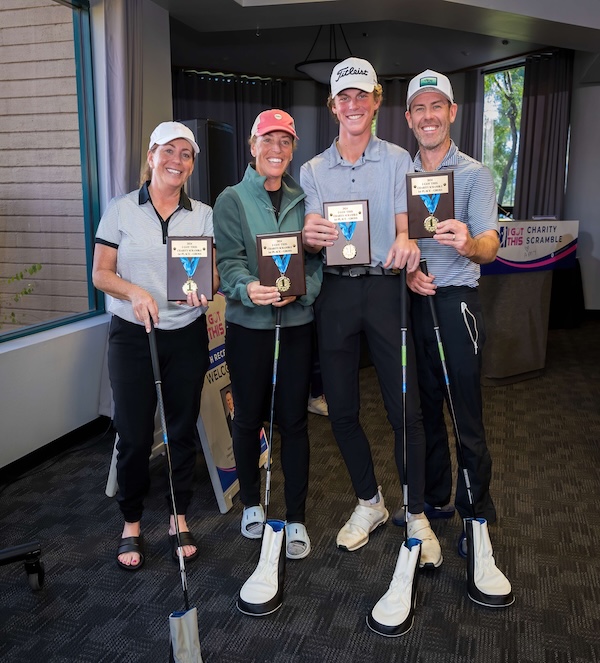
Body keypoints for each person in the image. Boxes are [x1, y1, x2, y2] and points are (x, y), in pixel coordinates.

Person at [300, 57, 442, 567]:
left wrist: (407, 240)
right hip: (336, 295)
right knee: (340, 409)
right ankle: (369, 501)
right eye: (345, 97)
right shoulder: (312, 170)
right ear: (333, 105)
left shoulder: (399, 159)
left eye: (363, 95)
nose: (354, 104)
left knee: (405, 409)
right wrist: (309, 237)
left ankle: (416, 512)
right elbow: (310, 235)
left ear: (377, 101)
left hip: (386, 290)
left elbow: (407, 225)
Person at [93, 121, 218, 571]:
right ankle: (131, 522)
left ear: (191, 165)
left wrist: (205, 288)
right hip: (133, 335)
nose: (176, 161)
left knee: (181, 431)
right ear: (151, 156)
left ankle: (177, 516)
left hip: (185, 334)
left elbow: (212, 273)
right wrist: (134, 292)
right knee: (133, 434)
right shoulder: (121, 209)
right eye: (168, 151)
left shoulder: (202, 214)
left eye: (186, 154)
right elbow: (101, 273)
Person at [212, 109, 322, 560]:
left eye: (285, 141)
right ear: (253, 146)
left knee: (294, 421)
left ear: (292, 149)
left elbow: (316, 261)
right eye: (268, 140)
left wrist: (303, 291)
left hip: (296, 326)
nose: (277, 149)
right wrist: (247, 289)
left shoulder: (305, 197)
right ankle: (251, 504)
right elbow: (229, 262)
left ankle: (296, 515)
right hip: (248, 326)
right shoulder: (232, 199)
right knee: (248, 418)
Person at [399, 69, 499, 530]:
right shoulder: (400, 174)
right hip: (414, 303)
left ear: (452, 112)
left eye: (436, 106)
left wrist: (469, 244)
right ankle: (436, 497)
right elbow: (395, 238)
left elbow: (490, 244)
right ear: (408, 118)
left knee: (464, 414)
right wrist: (408, 270)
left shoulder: (475, 174)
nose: (428, 116)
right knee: (423, 411)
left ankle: (476, 513)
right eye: (419, 108)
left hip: (458, 303)